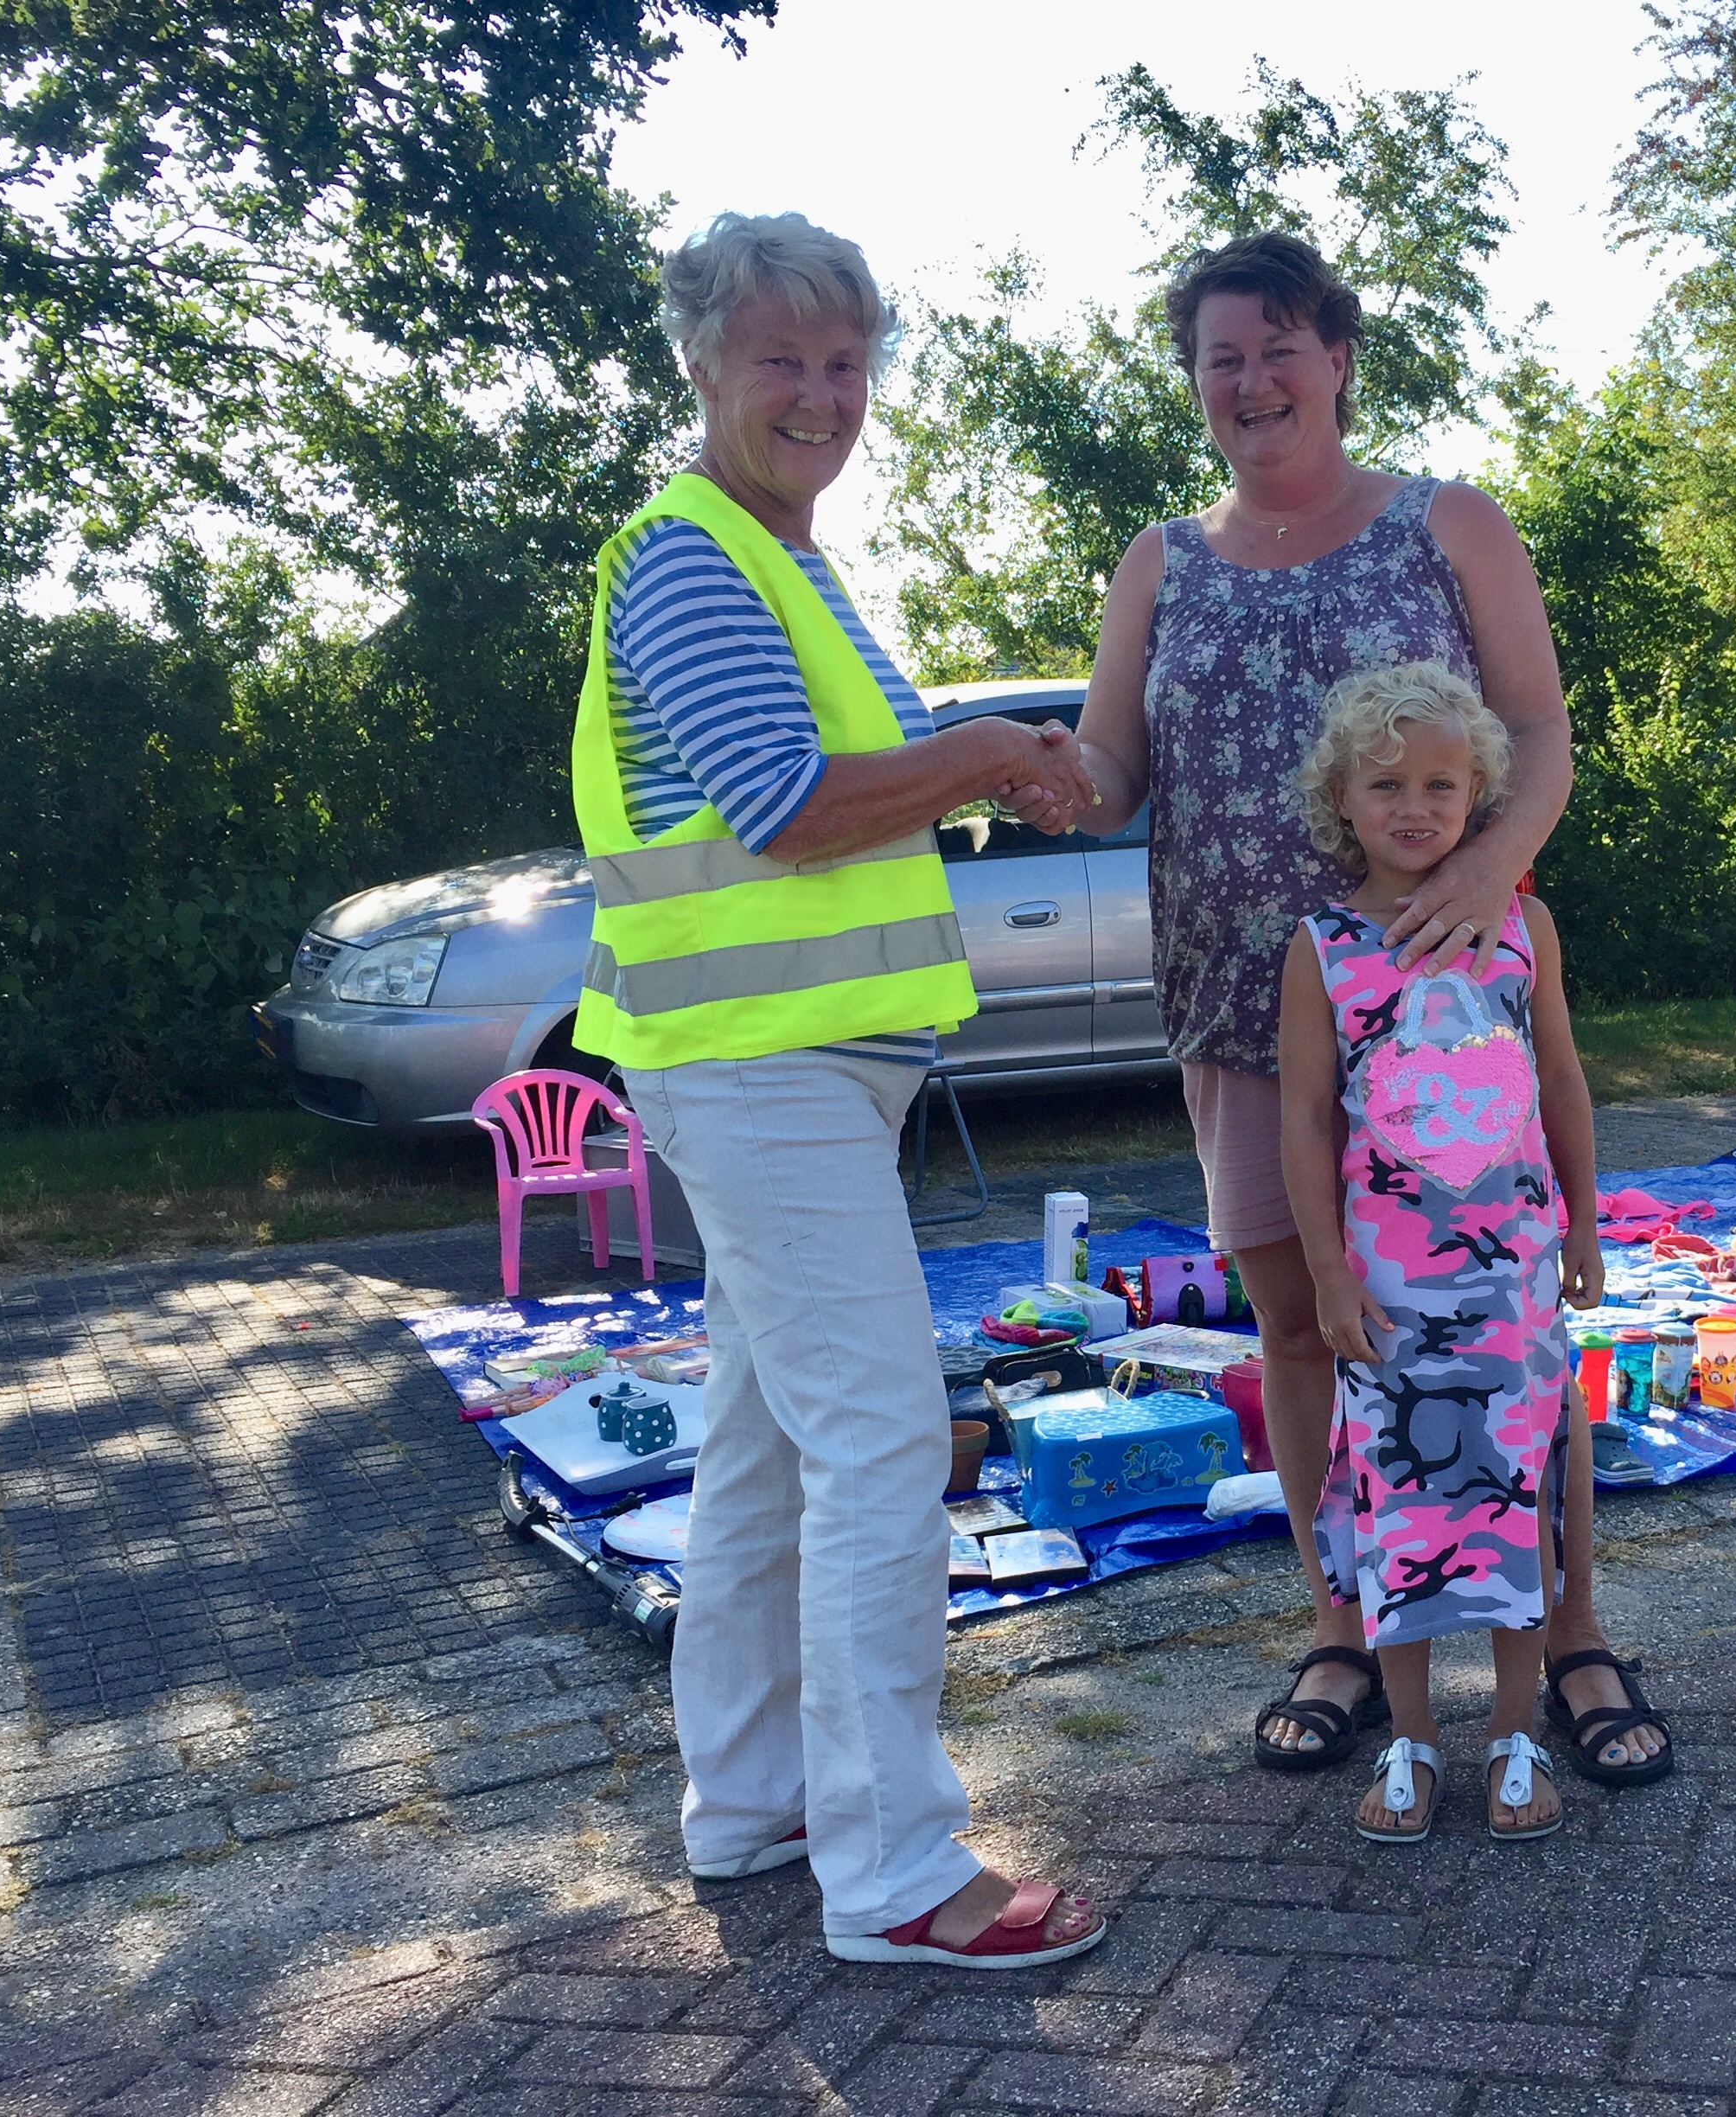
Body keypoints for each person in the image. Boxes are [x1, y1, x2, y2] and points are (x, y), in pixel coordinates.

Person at [1045, 232, 1669, 1789]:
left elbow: (1535, 726)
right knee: (1308, 1332)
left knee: (1509, 1339)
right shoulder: (1157, 560)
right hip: (1242, 1008)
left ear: (1333, 355)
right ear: (1194, 387)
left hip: (1445, 1016)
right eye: (1216, 361)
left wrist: (1494, 876)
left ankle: (1569, 1621)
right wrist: (1038, 779)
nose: (1248, 382)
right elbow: (1114, 767)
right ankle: (1345, 1620)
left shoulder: (1444, 523)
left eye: (1275, 347)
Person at [571, 212, 1103, 1968]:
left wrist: (976, 768)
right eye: (781, 358)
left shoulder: (778, 561)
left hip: (798, 1070)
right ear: (702, 367)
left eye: (846, 360)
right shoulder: (688, 557)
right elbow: (792, 803)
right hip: (758, 1071)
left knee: (762, 1455)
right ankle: (895, 1876)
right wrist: (979, 754)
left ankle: (748, 1808)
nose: (820, 392)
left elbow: (831, 797)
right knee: (884, 1440)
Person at [1277, 663, 1598, 1842]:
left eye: (1443, 784)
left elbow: (1557, 1076)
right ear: (1344, 800)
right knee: (1403, 1502)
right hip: (1389, 1295)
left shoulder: (1523, 928)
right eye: (1389, 784)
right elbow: (1304, 1119)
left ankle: (1517, 1735)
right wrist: (1324, 1270)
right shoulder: (1322, 950)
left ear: (1481, 794)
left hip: (1510, 1278)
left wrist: (1587, 1216)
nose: (1417, 805)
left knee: (1515, 1497)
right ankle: (1411, 1743)